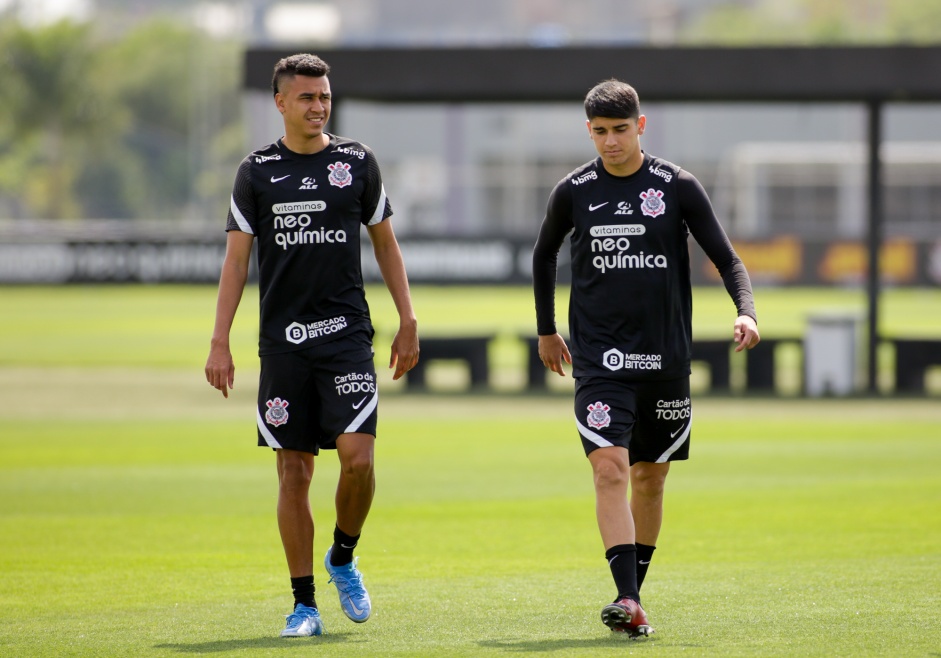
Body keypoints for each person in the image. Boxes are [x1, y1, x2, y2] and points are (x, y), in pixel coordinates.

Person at [532, 79, 759, 637]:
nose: (611, 142)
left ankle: (635, 595)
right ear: (589, 130)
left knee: (650, 479)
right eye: (601, 132)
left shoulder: (676, 186)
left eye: (621, 130)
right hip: (599, 362)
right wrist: (546, 331)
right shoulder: (573, 190)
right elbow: (544, 256)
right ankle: (627, 599)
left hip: (664, 362)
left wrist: (746, 310)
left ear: (641, 125)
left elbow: (727, 259)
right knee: (609, 469)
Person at [205, 53, 419, 638]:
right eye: (306, 97)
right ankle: (303, 606)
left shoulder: (356, 162)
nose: (319, 106)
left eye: (324, 96)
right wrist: (219, 341)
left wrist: (408, 317)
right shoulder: (256, 172)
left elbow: (386, 245)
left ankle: (343, 557)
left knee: (359, 459)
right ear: (280, 102)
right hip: (283, 347)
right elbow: (236, 261)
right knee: (293, 472)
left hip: (347, 337)